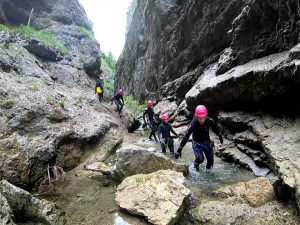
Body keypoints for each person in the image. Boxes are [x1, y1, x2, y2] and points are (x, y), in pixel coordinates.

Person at [175, 105, 223, 171]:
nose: (202, 120)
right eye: (200, 118)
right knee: (200, 159)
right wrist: (179, 150)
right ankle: (196, 163)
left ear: (206, 116)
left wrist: (220, 137)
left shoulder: (209, 121)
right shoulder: (193, 124)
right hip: (196, 143)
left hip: (207, 142)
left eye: (203, 118)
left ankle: (208, 174)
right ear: (197, 116)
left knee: (211, 160)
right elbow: (186, 137)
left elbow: (215, 129)